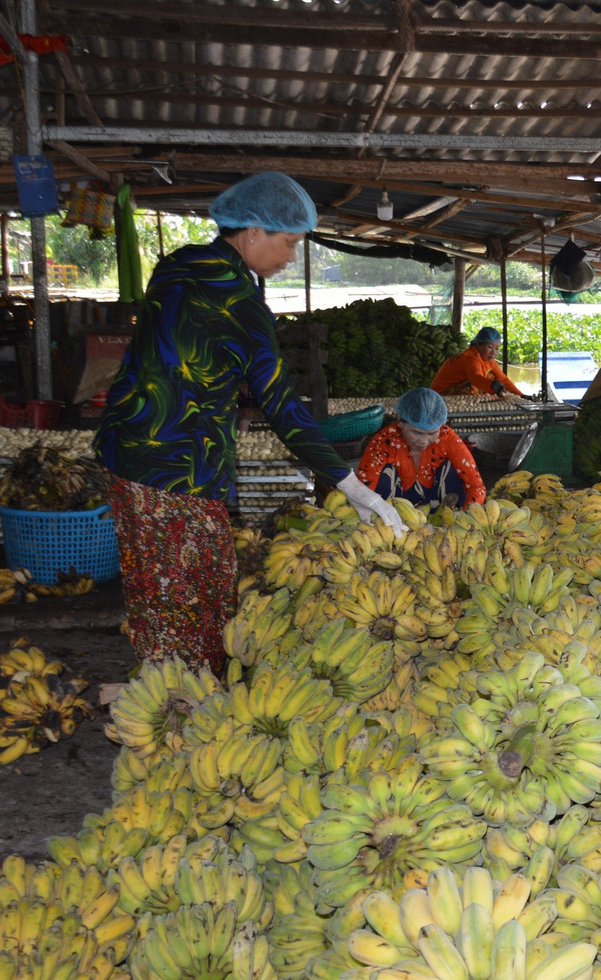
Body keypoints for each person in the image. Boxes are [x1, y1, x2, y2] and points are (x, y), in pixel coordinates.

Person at [94, 171, 405, 672]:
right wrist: (354, 487)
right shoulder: (244, 305)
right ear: (253, 232)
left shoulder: (176, 265)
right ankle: (184, 705)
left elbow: (182, 359)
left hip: (125, 447)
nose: (290, 257)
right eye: (288, 243)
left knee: (157, 583)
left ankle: (168, 682)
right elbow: (284, 407)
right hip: (178, 470)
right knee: (196, 597)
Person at [357, 387, 486, 511]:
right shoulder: (384, 441)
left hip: (440, 508)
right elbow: (362, 488)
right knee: (386, 473)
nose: (424, 441)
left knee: (453, 468)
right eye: (417, 433)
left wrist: (468, 518)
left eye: (432, 433)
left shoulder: (447, 438)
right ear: (400, 422)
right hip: (394, 510)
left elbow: (476, 486)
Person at [430, 326, 525, 397]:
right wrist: (493, 385)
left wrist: (521, 395)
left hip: (456, 387)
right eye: (490, 347)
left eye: (496, 348)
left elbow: (503, 379)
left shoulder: (487, 360)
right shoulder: (470, 358)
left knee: (491, 377)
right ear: (478, 344)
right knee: (484, 382)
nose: (494, 352)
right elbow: (476, 378)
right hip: (441, 394)